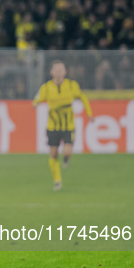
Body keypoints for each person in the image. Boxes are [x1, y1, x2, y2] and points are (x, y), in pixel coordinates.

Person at [33, 60, 93, 191]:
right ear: (52, 72)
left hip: (68, 126)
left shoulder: (72, 85)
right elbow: (37, 99)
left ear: (65, 72)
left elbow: (83, 97)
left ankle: (66, 158)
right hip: (52, 126)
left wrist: (89, 113)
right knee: (53, 154)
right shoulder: (46, 87)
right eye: (56, 70)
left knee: (67, 151)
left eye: (61, 70)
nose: (59, 72)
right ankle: (57, 180)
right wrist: (35, 103)